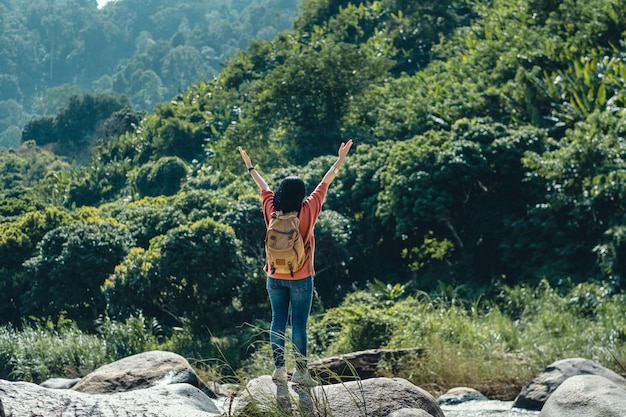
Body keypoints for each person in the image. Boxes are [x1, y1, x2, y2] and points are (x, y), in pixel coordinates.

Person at [238, 139, 353, 385]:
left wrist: (250, 166)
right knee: (299, 324)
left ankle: (279, 370)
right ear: (301, 194)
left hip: (274, 275)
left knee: (277, 320)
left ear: (281, 193)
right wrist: (340, 159)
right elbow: (325, 182)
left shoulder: (271, 210)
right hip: (300, 277)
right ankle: (301, 373)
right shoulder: (308, 209)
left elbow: (263, 186)